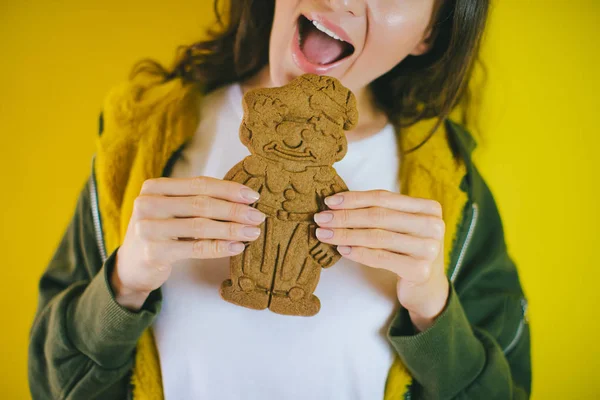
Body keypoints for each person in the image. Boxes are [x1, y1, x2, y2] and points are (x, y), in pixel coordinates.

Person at [28, 0, 531, 399]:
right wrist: (122, 285)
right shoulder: (139, 139)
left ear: (429, 32)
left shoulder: (457, 194)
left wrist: (433, 312)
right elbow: (52, 384)